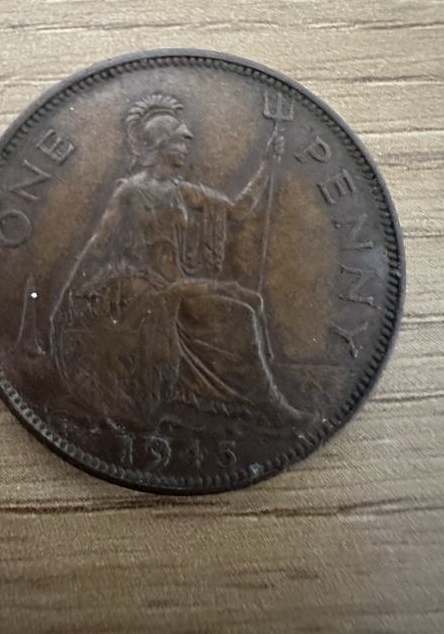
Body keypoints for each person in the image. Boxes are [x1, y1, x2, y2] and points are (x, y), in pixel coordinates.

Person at [52, 93, 308, 431]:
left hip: (178, 283)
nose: (186, 148)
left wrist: (267, 165)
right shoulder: (129, 192)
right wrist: (70, 293)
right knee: (241, 314)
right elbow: (99, 245)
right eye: (178, 142)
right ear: (159, 145)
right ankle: (266, 405)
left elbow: (237, 209)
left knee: (251, 300)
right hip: (144, 289)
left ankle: (259, 399)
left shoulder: (182, 190)